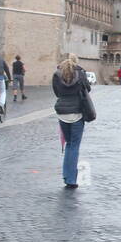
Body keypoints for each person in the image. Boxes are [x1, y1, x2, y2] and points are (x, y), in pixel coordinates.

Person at [52, 54, 91, 188]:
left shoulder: (57, 75)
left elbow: (57, 92)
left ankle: (67, 175)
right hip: (77, 113)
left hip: (62, 114)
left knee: (69, 145)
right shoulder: (80, 74)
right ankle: (71, 179)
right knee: (74, 146)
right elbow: (88, 89)